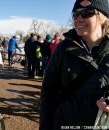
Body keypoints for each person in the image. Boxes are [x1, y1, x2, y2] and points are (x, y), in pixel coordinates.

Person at [39, 0, 109, 129]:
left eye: (87, 13)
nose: (79, 19)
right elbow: (48, 92)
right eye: (75, 15)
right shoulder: (63, 48)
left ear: (103, 18)